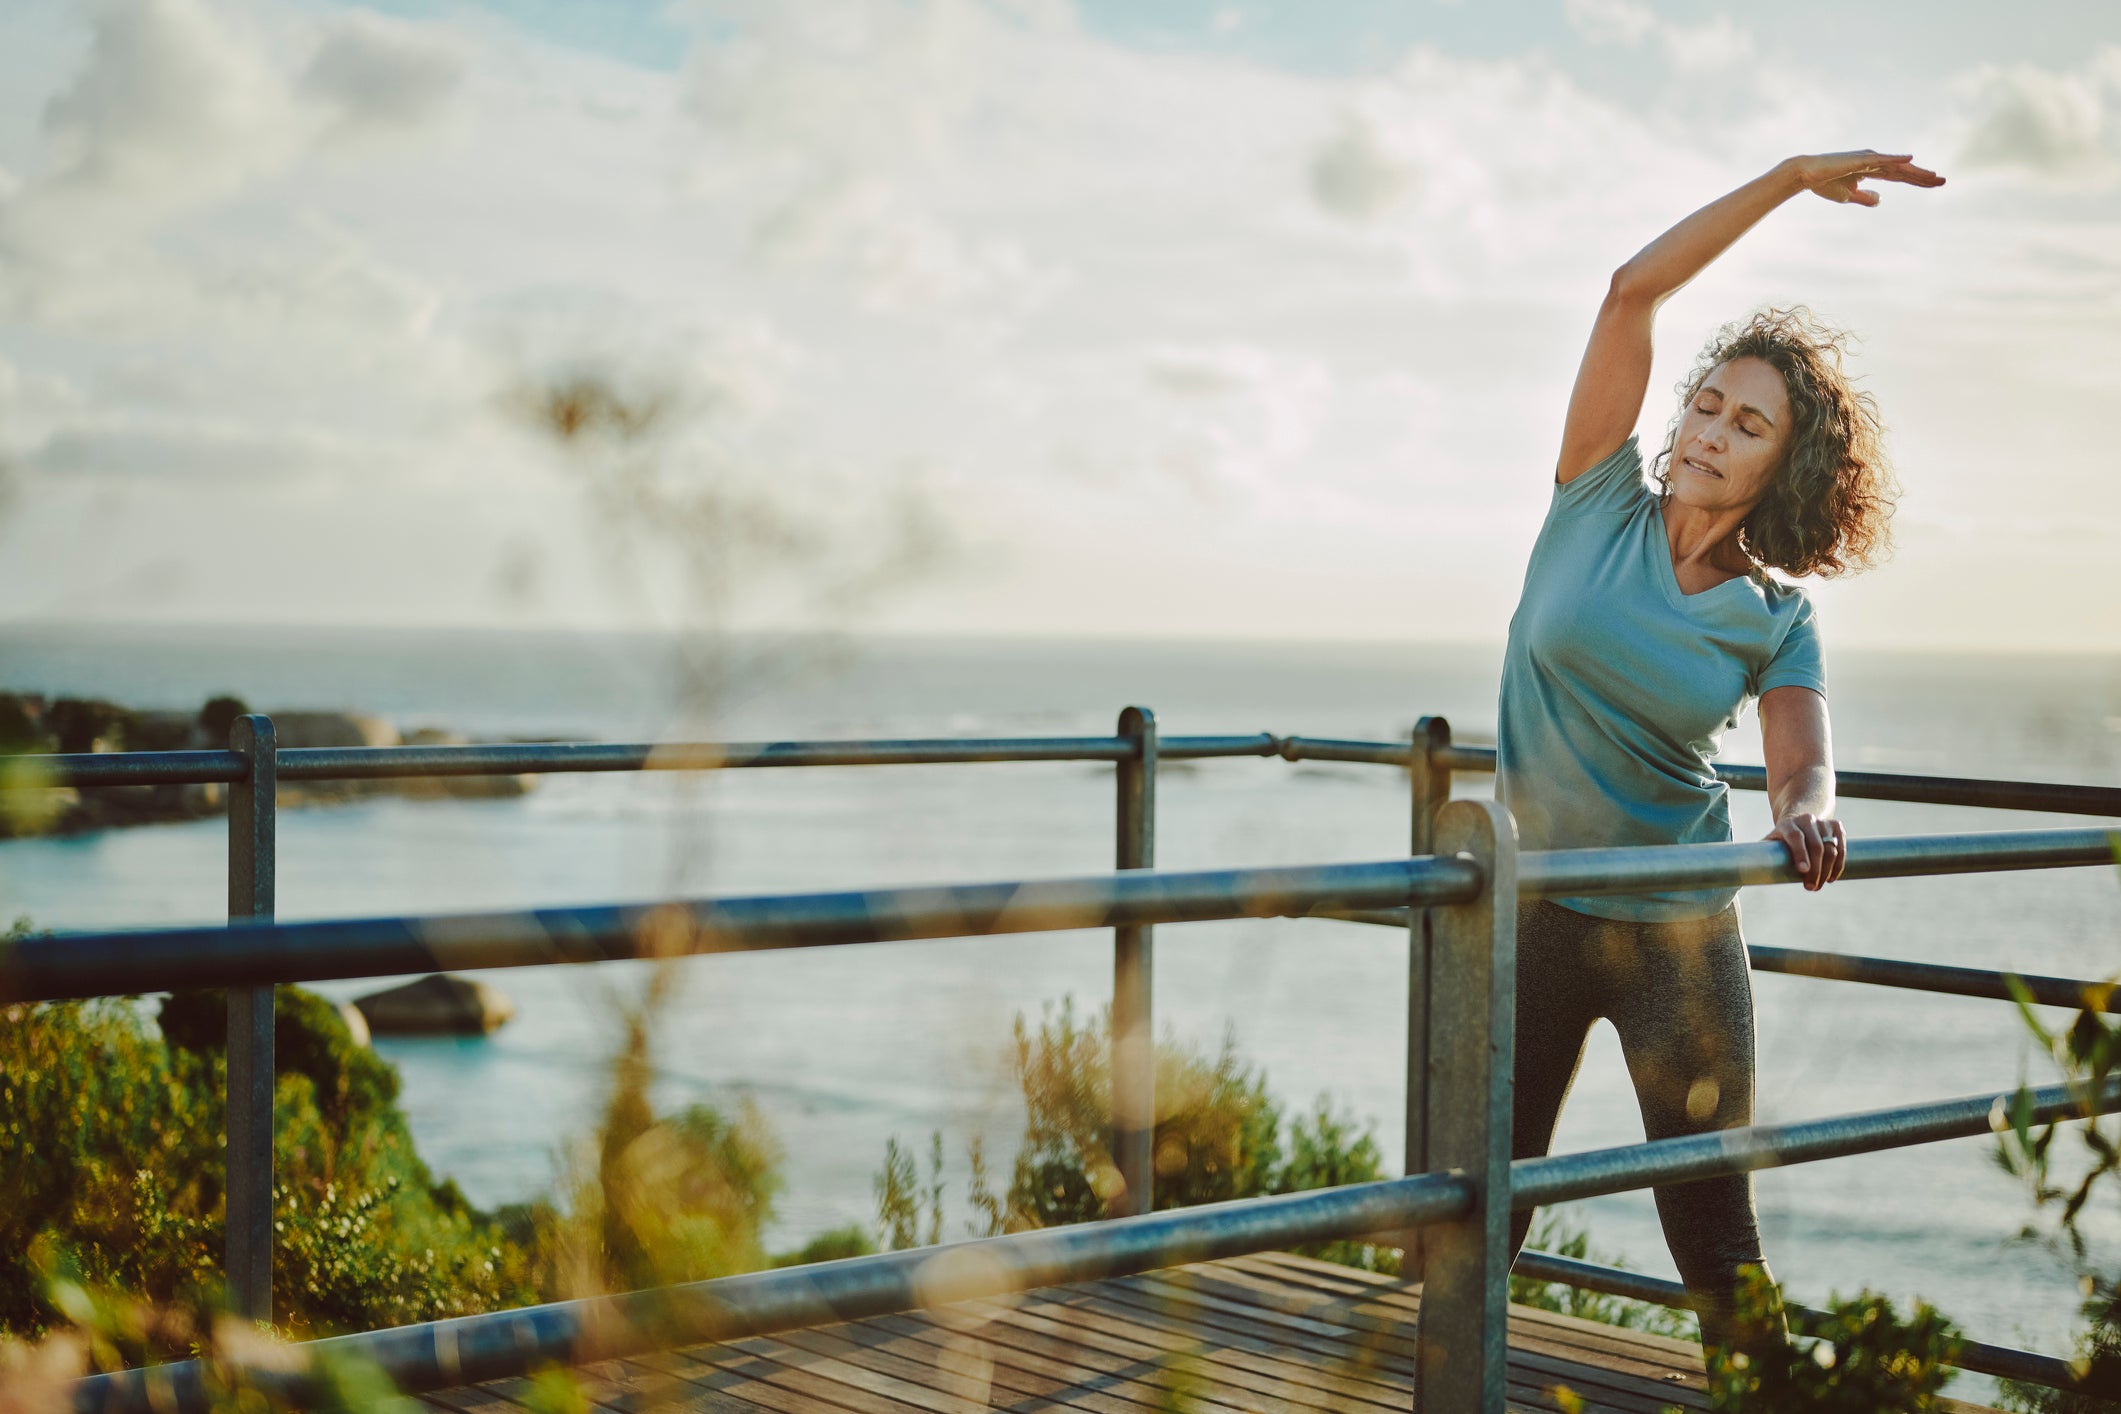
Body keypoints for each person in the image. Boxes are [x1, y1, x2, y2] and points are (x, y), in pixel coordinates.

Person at [1497, 150, 1945, 1360]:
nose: (1709, 432)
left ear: (1777, 470)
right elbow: (1629, 293)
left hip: (1676, 926)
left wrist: (1806, 814)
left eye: (1748, 425)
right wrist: (1791, 179)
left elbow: (1802, 757)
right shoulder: (1592, 498)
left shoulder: (1773, 613)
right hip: (1533, 905)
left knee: (1712, 1234)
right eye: (1707, 403)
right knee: (1477, 1201)